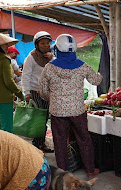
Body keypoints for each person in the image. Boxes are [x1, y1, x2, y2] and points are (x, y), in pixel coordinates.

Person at [39, 34, 102, 177]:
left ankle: (63, 173)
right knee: (84, 138)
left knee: (60, 141)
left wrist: (52, 98)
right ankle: (90, 170)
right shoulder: (82, 66)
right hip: (77, 111)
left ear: (58, 49)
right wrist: (99, 74)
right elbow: (96, 81)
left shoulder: (49, 68)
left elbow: (42, 91)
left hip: (57, 112)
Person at [22, 32, 53, 152]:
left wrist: (51, 59)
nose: (46, 45)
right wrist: (27, 92)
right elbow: (26, 75)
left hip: (47, 93)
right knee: (39, 119)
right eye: (42, 43)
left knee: (45, 118)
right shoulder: (31, 58)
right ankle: (37, 144)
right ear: (36, 44)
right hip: (35, 92)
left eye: (47, 43)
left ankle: (40, 142)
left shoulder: (51, 56)